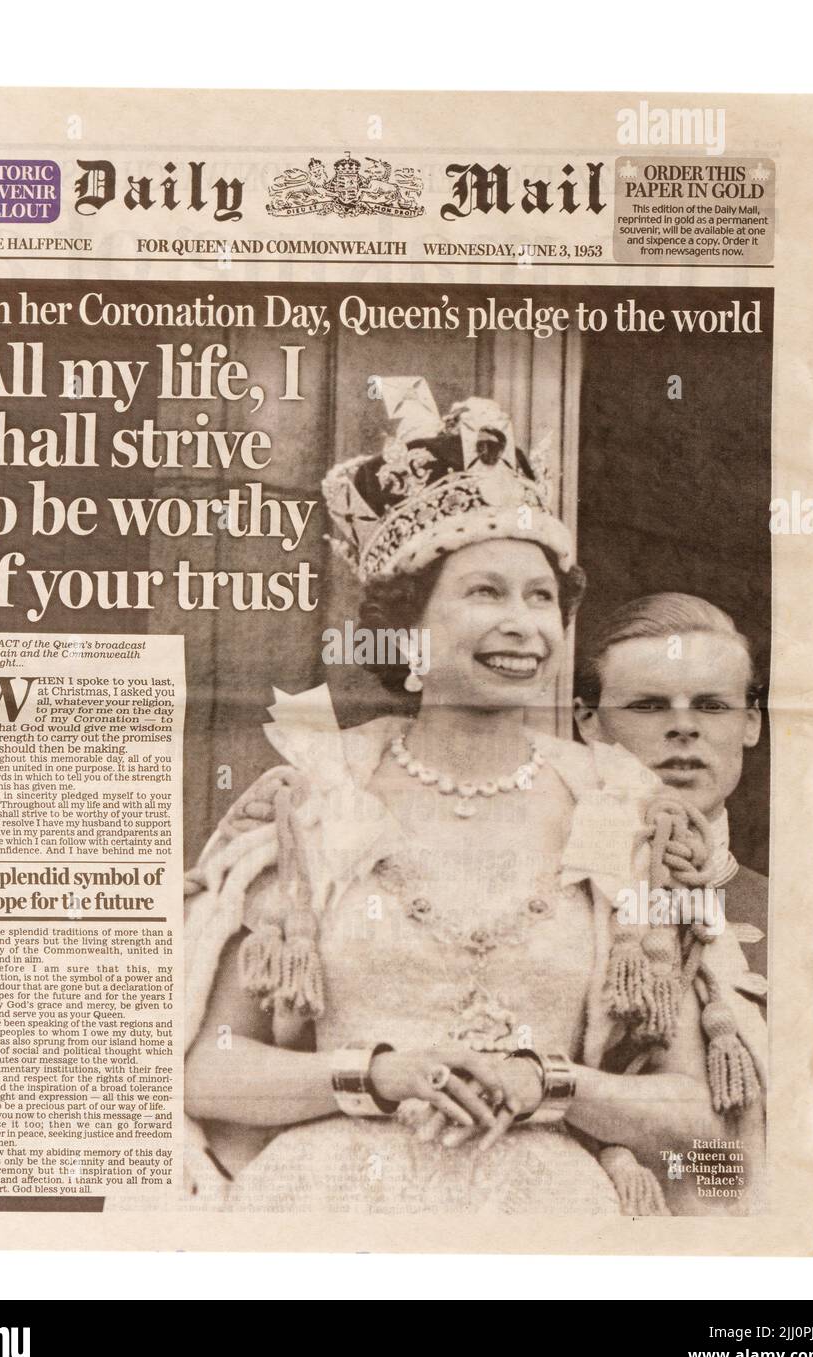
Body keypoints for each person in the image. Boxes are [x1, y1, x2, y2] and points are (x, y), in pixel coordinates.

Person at [182, 385, 766, 1218]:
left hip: (551, 1223)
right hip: (325, 1213)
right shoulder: (319, 798)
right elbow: (211, 1069)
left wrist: (546, 1085)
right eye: (486, 593)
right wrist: (378, 1076)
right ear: (410, 624)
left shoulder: (620, 811)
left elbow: (699, 1118)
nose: (523, 623)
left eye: (541, 598)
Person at [574, 594, 768, 979]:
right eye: (648, 705)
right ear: (589, 722)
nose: (684, 726)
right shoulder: (550, 900)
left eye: (712, 706)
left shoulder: (798, 913)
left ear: (751, 723)